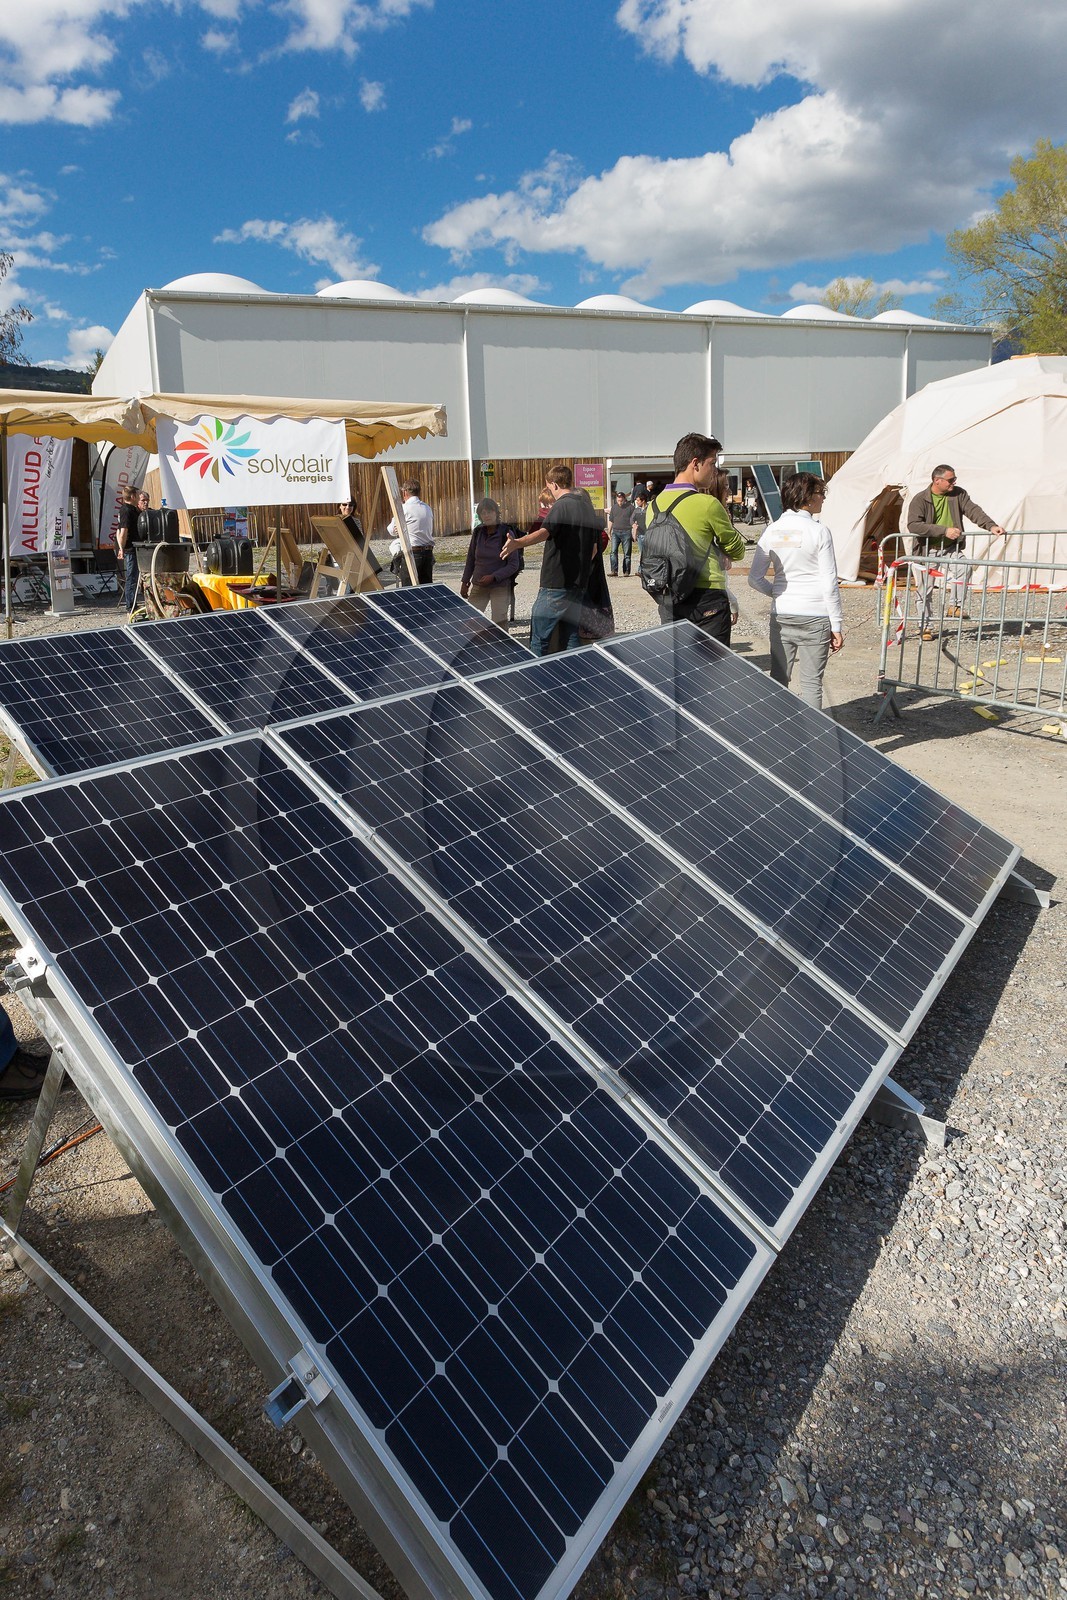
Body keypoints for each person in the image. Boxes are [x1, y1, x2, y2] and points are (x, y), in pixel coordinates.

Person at [748, 472, 844, 711]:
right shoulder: (820, 531)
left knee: (779, 679)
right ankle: (813, 740)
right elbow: (829, 581)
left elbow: (754, 578)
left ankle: (778, 735)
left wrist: (777, 593)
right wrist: (837, 625)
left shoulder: (772, 530)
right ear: (807, 497)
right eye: (821, 493)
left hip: (782, 613)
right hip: (816, 614)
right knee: (812, 683)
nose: (823, 498)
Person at [648, 432, 746, 644]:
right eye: (712, 463)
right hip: (707, 599)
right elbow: (737, 551)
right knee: (711, 672)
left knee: (678, 671)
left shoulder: (653, 506)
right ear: (695, 463)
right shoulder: (707, 504)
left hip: (668, 597)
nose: (714, 471)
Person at [501, 464, 603, 654]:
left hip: (556, 584)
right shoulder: (586, 507)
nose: (549, 491)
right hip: (578, 584)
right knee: (571, 635)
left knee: (540, 638)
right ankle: (572, 675)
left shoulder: (561, 505)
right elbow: (595, 549)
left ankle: (536, 678)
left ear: (554, 484)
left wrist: (517, 543)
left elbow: (544, 532)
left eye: (549, 487)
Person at [907, 465, 1004, 632]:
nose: (954, 482)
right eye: (950, 480)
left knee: (964, 567)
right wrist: (943, 530)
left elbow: (973, 511)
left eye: (954, 479)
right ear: (937, 480)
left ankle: (955, 606)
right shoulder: (920, 499)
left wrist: (991, 526)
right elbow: (914, 525)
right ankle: (925, 627)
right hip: (927, 550)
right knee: (925, 590)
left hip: (950, 548)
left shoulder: (958, 494)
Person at [460, 497, 522, 626]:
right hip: (479, 584)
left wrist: (494, 577)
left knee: (499, 623)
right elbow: (471, 558)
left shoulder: (507, 533)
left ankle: (502, 646)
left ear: (496, 513)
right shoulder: (478, 532)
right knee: (470, 621)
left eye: (489, 512)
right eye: (483, 513)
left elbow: (513, 564)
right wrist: (465, 581)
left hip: (500, 585)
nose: (486, 515)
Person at [387, 478, 435, 585]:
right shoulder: (427, 508)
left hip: (413, 553)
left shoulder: (404, 508)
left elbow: (391, 530)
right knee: (426, 590)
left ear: (404, 492)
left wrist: (397, 529)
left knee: (409, 590)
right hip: (428, 554)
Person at [338, 497, 382, 579]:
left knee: (372, 566)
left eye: (351, 505)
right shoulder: (334, 521)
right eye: (344, 504)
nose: (347, 507)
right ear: (339, 506)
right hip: (340, 553)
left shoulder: (356, 521)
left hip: (355, 553)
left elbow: (360, 540)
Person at [115, 485, 141, 616]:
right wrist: (122, 548)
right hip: (130, 548)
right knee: (131, 577)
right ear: (132, 496)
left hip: (137, 547)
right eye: (137, 495)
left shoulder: (134, 510)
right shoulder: (126, 510)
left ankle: (134, 602)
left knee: (135, 577)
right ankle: (130, 605)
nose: (139, 497)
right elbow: (122, 531)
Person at [607, 490, 634, 576]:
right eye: (618, 500)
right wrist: (609, 531)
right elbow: (611, 520)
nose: (619, 502)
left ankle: (626, 571)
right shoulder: (614, 508)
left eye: (621, 500)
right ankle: (614, 571)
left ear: (624, 499)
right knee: (613, 552)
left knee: (627, 554)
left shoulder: (630, 507)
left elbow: (634, 521)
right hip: (616, 532)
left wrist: (634, 533)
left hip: (626, 532)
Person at [631, 492, 649, 571]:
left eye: (638, 501)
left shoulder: (650, 509)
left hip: (648, 535)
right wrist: (633, 525)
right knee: (642, 553)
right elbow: (631, 519)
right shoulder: (636, 510)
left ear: (643, 501)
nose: (637, 502)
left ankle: (642, 569)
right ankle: (641, 569)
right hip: (640, 535)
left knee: (647, 553)